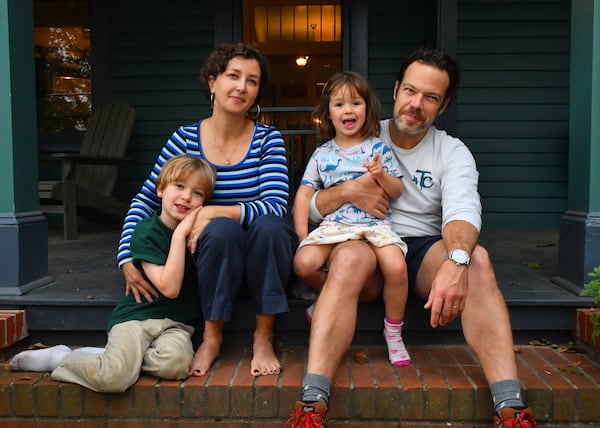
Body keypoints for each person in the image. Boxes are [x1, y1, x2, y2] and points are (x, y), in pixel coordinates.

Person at [286, 48, 537, 428]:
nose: (416, 104)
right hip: (361, 241)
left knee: (478, 261)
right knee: (352, 257)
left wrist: (457, 261)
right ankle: (312, 402)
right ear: (397, 88)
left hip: (419, 248)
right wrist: (351, 190)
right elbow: (315, 203)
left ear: (444, 104)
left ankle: (511, 407)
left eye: (431, 97)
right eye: (411, 91)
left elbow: (463, 214)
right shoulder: (360, 130)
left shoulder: (451, 152)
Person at [117, 43, 297, 377]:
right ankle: (212, 337)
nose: (242, 87)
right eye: (233, 76)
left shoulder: (267, 140)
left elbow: (274, 204)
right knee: (221, 231)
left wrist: (212, 211)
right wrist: (127, 255)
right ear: (212, 82)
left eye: (252, 81)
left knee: (271, 225)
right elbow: (146, 199)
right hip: (211, 262)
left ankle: (263, 336)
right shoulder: (184, 138)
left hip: (264, 262)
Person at [9, 155, 216, 392]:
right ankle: (60, 358)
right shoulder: (146, 232)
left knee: (176, 365)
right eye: (179, 186)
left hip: (175, 324)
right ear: (160, 190)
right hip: (136, 319)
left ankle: (115, 359)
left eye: (197, 193)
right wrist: (179, 236)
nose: (187, 197)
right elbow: (169, 288)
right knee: (114, 378)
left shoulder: (200, 234)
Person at [293, 71, 410, 368]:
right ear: (327, 114)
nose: (348, 110)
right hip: (336, 226)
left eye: (356, 103)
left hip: (375, 225)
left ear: (367, 109)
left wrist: (381, 175)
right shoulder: (322, 154)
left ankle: (394, 331)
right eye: (339, 104)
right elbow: (304, 195)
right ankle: (326, 297)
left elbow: (397, 190)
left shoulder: (378, 148)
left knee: (397, 268)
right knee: (303, 263)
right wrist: (301, 235)